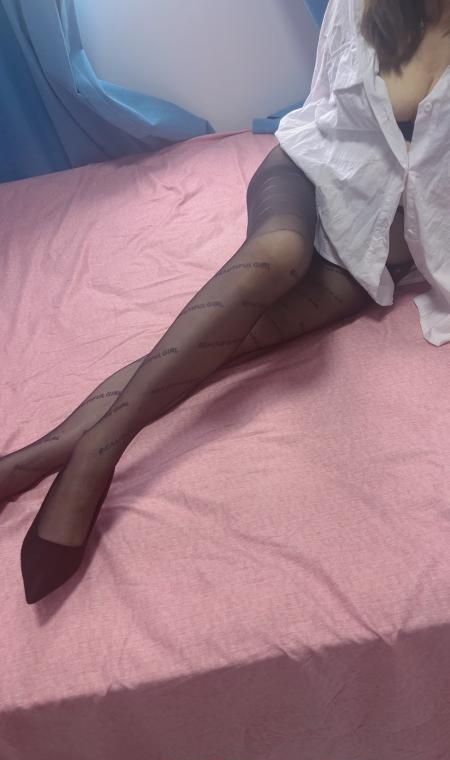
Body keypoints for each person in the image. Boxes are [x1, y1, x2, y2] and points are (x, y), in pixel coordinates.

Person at [1, 0, 449, 603]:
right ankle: (98, 457)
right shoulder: (363, 5)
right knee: (278, 255)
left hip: (373, 249)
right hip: (310, 174)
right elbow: (326, 106)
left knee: (228, 339)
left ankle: (30, 462)